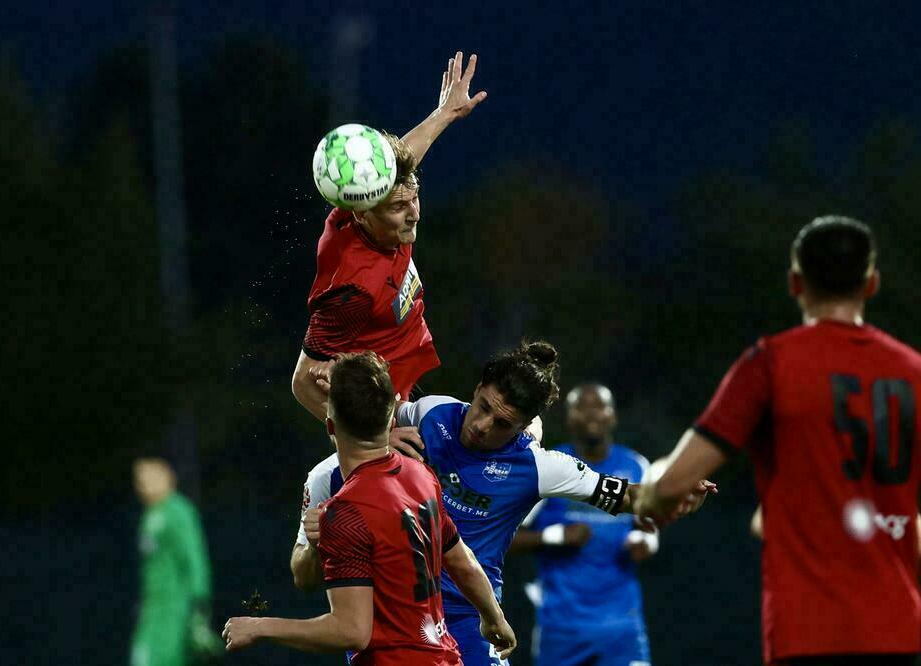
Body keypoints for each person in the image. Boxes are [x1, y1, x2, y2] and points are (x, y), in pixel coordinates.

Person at [291, 341, 714, 666]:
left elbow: (630, 497)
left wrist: (677, 491)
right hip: (394, 619)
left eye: (501, 423)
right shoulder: (431, 415)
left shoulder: (538, 466)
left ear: (524, 426)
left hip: (469, 620)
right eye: (483, 407)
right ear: (475, 390)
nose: (480, 426)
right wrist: (382, 431)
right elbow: (362, 425)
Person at [634, 216, 921, 665]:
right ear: (871, 284)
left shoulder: (771, 363)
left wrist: (650, 491)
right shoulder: (914, 371)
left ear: (795, 282)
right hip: (901, 635)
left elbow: (671, 485)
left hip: (808, 635)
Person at [223, 352, 516, 664]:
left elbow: (351, 631)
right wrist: (494, 618)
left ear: (330, 427)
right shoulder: (422, 476)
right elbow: (463, 561)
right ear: (391, 421)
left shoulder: (344, 512)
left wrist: (261, 626)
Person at [292, 51, 487, 433]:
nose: (413, 212)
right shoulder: (352, 288)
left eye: (414, 196)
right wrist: (376, 440)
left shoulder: (372, 198)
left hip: (407, 365)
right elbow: (303, 383)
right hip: (383, 405)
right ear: (362, 213)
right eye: (399, 207)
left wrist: (444, 113)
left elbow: (403, 165)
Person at [511, 383, 656, 666]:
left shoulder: (637, 466)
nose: (591, 414)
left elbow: (650, 528)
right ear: (569, 417)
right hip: (561, 628)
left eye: (599, 406)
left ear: (612, 416)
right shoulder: (550, 466)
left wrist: (646, 543)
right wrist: (554, 537)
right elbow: (505, 536)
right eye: (582, 407)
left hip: (621, 628)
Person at [131, 458, 218, 666]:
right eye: (138, 479)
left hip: (176, 610)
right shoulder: (149, 515)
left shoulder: (178, 510)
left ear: (167, 476)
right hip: (153, 609)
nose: (142, 484)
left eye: (148, 476)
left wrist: (199, 609)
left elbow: (194, 559)